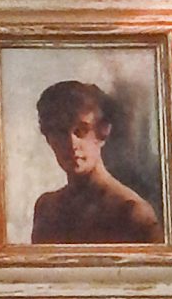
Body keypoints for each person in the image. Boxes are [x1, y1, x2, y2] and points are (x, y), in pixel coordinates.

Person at [29, 77, 162, 244]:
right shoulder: (47, 208)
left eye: (81, 131)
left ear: (103, 133)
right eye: (60, 132)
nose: (72, 144)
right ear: (48, 138)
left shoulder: (132, 212)